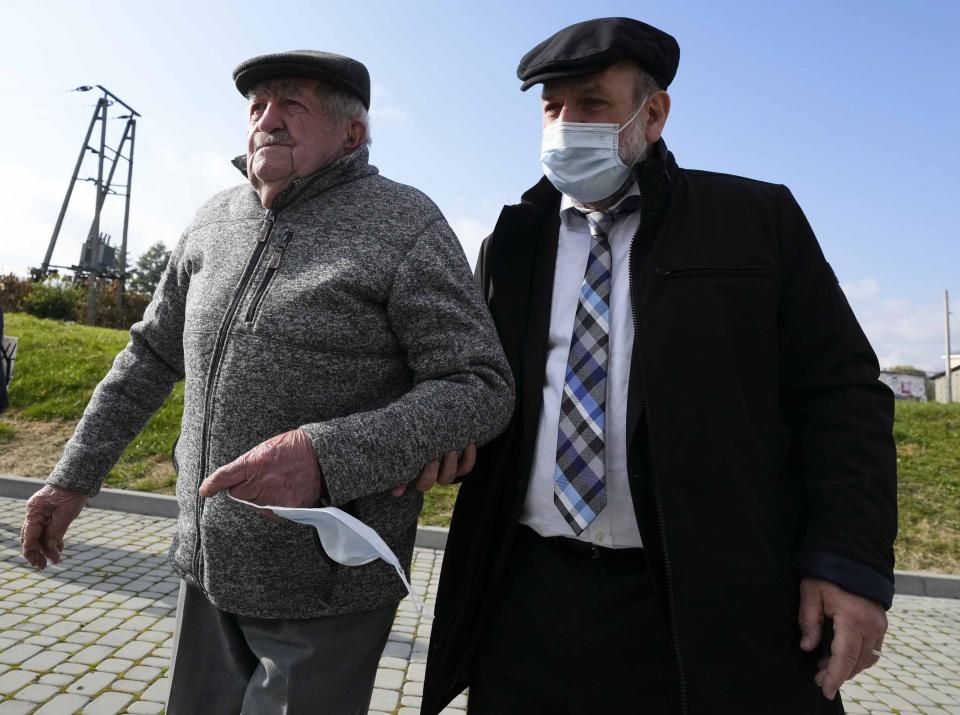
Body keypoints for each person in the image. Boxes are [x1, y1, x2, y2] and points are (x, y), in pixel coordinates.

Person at [422, 17, 896, 715]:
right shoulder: (512, 244)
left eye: (590, 104)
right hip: (528, 605)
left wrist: (847, 561)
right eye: (551, 108)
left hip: (703, 605)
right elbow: (483, 391)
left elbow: (843, 394)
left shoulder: (754, 221)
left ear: (655, 112)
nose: (563, 126)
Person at [20, 49, 514, 714]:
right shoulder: (213, 220)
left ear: (353, 133)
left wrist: (323, 454)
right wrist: (73, 476)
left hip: (328, 583)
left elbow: (480, 385)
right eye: (256, 106)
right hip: (207, 567)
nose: (266, 120)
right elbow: (148, 358)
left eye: (291, 104)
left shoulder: (406, 224)